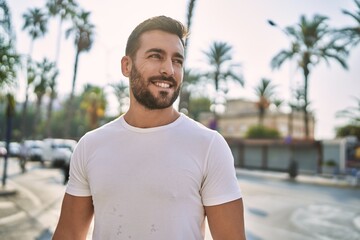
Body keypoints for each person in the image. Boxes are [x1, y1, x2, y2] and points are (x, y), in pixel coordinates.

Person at [53, 15, 246, 240]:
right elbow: (69, 233)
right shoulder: (90, 145)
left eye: (177, 61)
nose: (169, 70)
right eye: (156, 56)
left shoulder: (209, 146)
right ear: (127, 65)